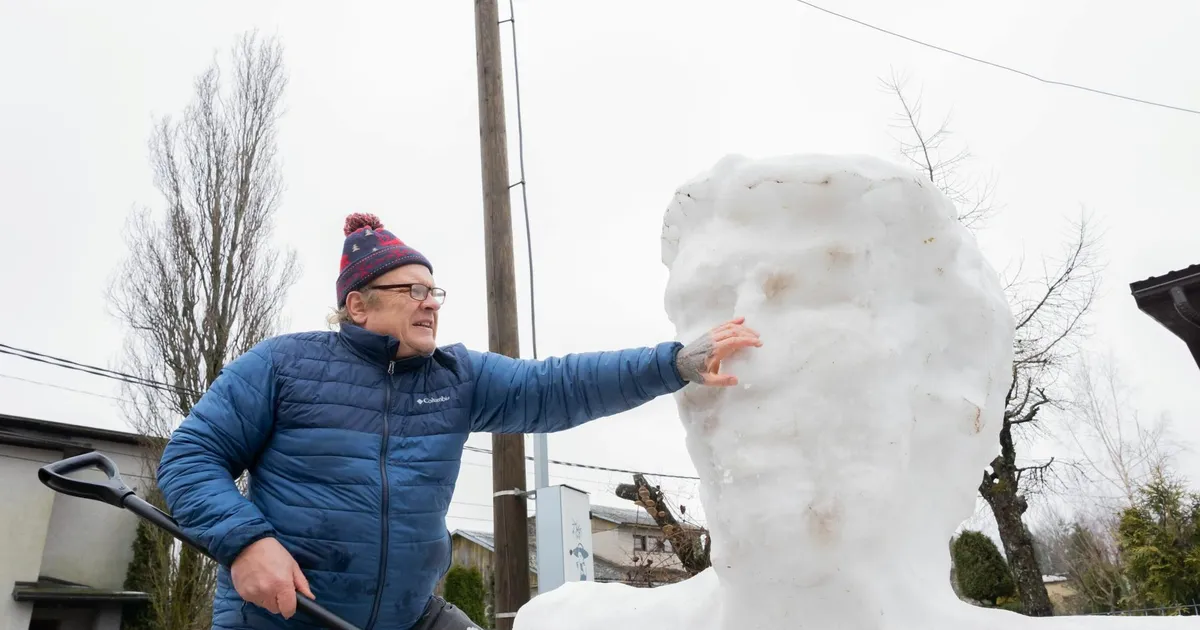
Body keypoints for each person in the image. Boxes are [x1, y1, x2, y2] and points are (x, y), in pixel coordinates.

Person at [155, 212, 762, 630]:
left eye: (433, 290)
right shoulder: (284, 365)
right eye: (411, 289)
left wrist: (672, 363)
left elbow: (560, 383)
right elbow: (189, 458)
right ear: (359, 306)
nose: (430, 302)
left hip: (407, 616)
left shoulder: (456, 377)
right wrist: (247, 543)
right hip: (282, 618)